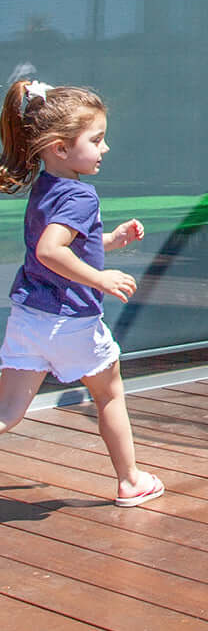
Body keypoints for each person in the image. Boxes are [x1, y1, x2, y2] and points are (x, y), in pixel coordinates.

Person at [0, 78, 163, 508]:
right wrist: (100, 278)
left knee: (6, 414)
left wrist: (110, 240)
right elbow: (51, 250)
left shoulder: (46, 186)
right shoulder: (80, 194)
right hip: (71, 322)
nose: (104, 148)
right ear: (59, 147)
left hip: (28, 318)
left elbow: (65, 243)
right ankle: (130, 482)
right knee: (109, 394)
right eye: (96, 139)